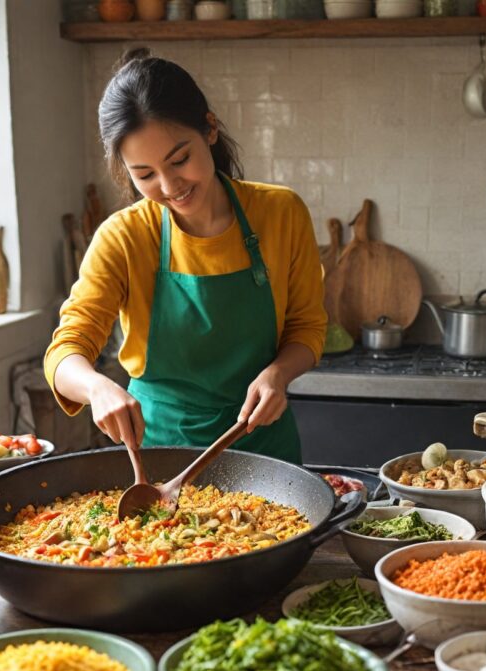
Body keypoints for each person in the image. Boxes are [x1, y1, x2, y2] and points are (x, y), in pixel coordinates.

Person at [44, 49, 327, 464]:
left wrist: (278, 374)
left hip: (264, 450)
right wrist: (97, 388)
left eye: (180, 160)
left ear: (209, 129)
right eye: (144, 174)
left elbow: (307, 327)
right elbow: (65, 350)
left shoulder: (281, 213)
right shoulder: (124, 237)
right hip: (159, 451)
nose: (169, 185)